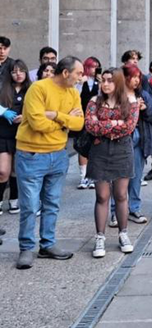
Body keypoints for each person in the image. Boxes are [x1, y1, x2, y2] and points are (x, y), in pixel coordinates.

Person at [15, 56, 84, 269]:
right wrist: (64, 122)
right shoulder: (38, 88)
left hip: (58, 154)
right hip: (32, 154)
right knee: (29, 205)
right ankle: (26, 248)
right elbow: (36, 123)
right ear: (65, 73)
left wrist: (55, 115)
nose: (81, 78)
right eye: (78, 73)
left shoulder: (73, 93)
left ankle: (47, 244)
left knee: (52, 203)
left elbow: (79, 123)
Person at [84, 68, 140, 258]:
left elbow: (129, 127)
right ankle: (100, 237)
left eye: (110, 80)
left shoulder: (130, 102)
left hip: (122, 150)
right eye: (103, 80)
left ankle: (123, 234)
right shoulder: (94, 101)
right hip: (99, 151)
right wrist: (115, 124)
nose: (105, 84)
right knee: (102, 195)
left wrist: (105, 125)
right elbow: (90, 126)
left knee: (121, 194)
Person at [108, 64, 152, 226]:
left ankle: (133, 208)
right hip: (119, 139)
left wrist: (145, 108)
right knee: (118, 176)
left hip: (139, 138)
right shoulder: (115, 95)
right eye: (133, 77)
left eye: (138, 77)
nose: (136, 80)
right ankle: (115, 211)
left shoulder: (143, 94)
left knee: (135, 175)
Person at [0, 60, 31, 215]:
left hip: (22, 135)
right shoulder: (4, 89)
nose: (18, 74)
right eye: (14, 71)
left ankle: (14, 200)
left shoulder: (32, 90)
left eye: (21, 71)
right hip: (3, 135)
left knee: (15, 171)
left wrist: (24, 117)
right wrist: (3, 112)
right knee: (2, 171)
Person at [76, 56, 101, 190]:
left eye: (97, 66)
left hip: (96, 117)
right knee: (82, 145)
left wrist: (102, 83)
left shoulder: (100, 81)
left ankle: (92, 175)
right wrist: (80, 83)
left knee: (94, 145)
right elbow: (74, 95)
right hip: (82, 115)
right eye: (92, 66)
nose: (94, 69)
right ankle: (83, 176)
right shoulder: (81, 80)